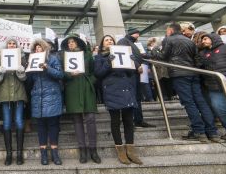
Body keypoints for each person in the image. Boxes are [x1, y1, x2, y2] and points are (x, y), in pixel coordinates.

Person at [151, 23, 219, 142]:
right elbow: (197, 58)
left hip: (179, 75)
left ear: (171, 30)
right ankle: (212, 132)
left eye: (167, 30)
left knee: (189, 102)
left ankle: (199, 131)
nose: (166, 32)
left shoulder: (169, 39)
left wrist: (154, 50)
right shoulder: (189, 41)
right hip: (192, 73)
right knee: (201, 102)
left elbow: (163, 57)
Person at [94, 35, 142, 165]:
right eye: (107, 40)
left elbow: (130, 73)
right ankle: (120, 150)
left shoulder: (123, 53)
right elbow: (98, 73)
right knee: (115, 121)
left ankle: (131, 150)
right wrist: (109, 62)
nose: (110, 41)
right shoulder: (99, 57)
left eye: (111, 40)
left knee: (128, 121)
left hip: (125, 88)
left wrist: (132, 63)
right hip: (111, 90)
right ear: (103, 44)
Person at [61, 34, 101, 164]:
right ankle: (82, 149)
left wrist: (90, 81)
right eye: (68, 42)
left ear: (78, 43)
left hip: (86, 87)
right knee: (77, 119)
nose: (70, 44)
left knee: (90, 118)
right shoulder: (64, 57)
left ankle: (93, 149)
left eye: (73, 42)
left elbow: (95, 72)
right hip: (72, 88)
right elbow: (62, 73)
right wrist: (68, 75)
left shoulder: (88, 55)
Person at [27, 39, 64, 165]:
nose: (38, 50)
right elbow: (29, 82)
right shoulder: (32, 61)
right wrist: (29, 70)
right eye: (35, 49)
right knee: (41, 126)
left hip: (52, 96)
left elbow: (60, 74)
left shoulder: (53, 58)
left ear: (44, 49)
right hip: (38, 97)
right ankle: (43, 153)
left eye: (40, 48)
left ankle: (54, 153)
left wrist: (47, 67)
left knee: (53, 125)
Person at [0, 38, 28, 166]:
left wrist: (21, 72)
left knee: (19, 121)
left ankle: (19, 153)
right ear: (6, 45)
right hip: (5, 94)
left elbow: (25, 78)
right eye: (10, 43)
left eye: (14, 44)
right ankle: (9, 154)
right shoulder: (0, 57)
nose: (12, 45)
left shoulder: (22, 57)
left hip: (18, 93)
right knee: (7, 123)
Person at [118, 28, 155, 128]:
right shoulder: (123, 41)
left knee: (137, 97)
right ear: (132, 33)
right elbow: (125, 55)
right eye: (137, 33)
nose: (138, 35)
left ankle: (138, 119)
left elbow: (137, 56)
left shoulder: (132, 43)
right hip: (129, 73)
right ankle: (130, 121)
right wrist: (137, 65)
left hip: (136, 73)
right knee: (131, 96)